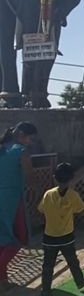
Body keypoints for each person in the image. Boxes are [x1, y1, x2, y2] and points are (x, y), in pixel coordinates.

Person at [39, 163, 84, 296]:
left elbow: (41, 209)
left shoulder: (47, 194)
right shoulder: (73, 195)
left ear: (54, 178)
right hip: (66, 236)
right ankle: (80, 281)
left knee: (47, 265)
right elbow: (81, 212)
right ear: (71, 179)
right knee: (72, 261)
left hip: (49, 236)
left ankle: (45, 290)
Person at [0, 122, 37, 289]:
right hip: (12, 199)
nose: (30, 142)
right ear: (21, 133)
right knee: (20, 237)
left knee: (2, 238)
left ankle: (3, 278)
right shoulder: (21, 151)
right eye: (30, 138)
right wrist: (34, 192)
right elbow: (30, 177)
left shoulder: (2, 148)